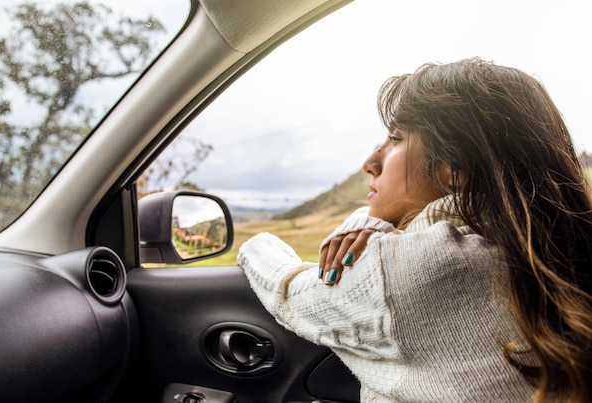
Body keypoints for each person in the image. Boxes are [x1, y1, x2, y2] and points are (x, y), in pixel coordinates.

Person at [237, 58, 592, 402]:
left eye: (395, 138)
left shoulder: (413, 268)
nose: (370, 163)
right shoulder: (561, 244)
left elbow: (284, 290)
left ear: (455, 167)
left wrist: (255, 242)